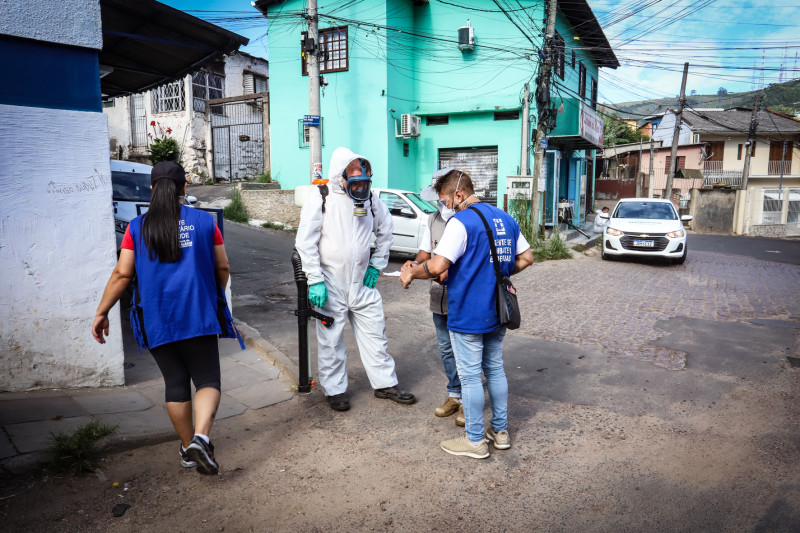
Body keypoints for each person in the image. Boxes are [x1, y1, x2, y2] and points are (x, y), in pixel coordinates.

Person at [92, 161, 238, 475]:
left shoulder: (135, 227)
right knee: (208, 380)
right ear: (184, 187)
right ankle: (201, 438)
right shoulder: (204, 221)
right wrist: (215, 295)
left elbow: (121, 274)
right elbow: (222, 267)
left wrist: (102, 312)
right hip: (197, 313)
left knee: (175, 384)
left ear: (152, 189)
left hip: (155, 318)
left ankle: (188, 449)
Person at [400, 170, 534, 459]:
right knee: (495, 369)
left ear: (458, 195)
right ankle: (499, 432)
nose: (445, 206)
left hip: (468, 312)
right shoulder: (505, 218)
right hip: (499, 308)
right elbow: (526, 258)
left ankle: (474, 440)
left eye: (445, 201)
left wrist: (412, 273)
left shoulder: (461, 222)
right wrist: (497, 274)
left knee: (471, 377)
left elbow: (436, 267)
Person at [295, 147, 415, 412]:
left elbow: (386, 230)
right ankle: (335, 390)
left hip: (361, 282)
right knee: (331, 340)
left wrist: (377, 264)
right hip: (330, 283)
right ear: (341, 177)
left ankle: (385, 383)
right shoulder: (322, 196)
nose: (360, 188)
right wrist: (314, 279)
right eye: (356, 182)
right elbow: (305, 242)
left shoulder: (370, 199)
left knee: (375, 333)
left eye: (364, 182)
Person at [402, 170, 463, 425]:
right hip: (439, 296)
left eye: (443, 199)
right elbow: (426, 254)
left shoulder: (468, 219)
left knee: (467, 351)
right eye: (437, 201)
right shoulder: (432, 220)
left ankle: (469, 403)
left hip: (463, 297)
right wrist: (413, 264)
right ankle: (454, 395)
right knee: (447, 350)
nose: (441, 205)